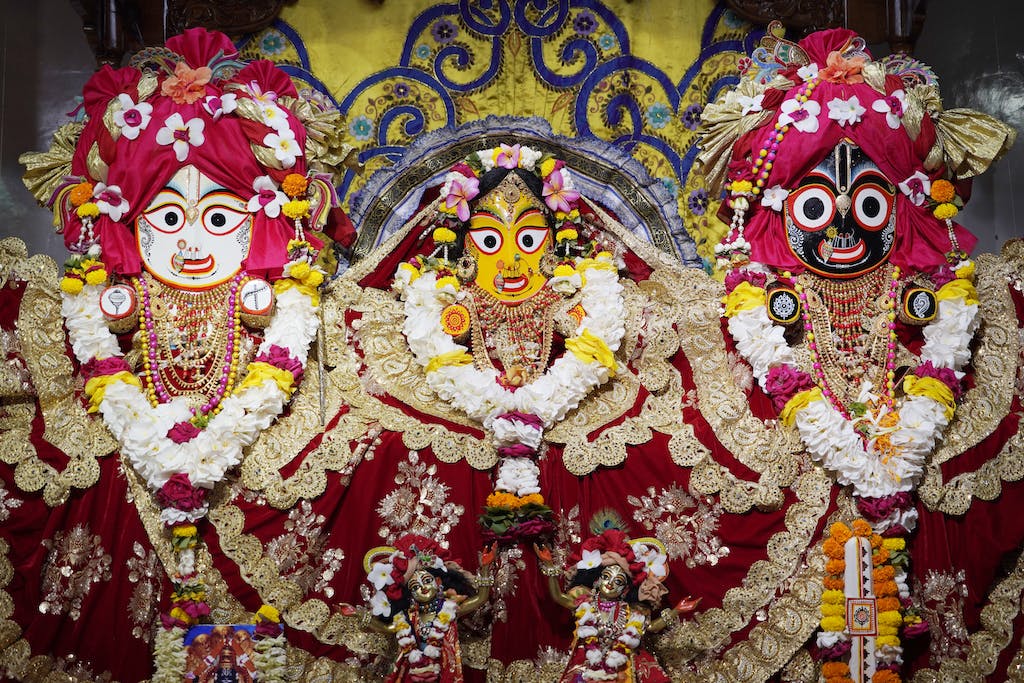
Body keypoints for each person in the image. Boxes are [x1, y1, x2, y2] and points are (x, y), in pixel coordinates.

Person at [534, 530, 698, 683]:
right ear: (598, 580)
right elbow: (557, 597)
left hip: (621, 664)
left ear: (626, 588)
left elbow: (651, 627)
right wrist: (549, 566)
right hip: (587, 662)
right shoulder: (585, 600)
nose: (610, 584)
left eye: (618, 581)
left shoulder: (630, 610)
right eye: (606, 577)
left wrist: (676, 610)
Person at [350, 535, 494, 683]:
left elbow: (481, 598)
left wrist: (485, 569)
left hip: (444, 670)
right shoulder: (409, 615)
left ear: (438, 582)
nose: (423, 588)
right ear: (410, 594)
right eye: (415, 587)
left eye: (426, 581)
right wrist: (357, 614)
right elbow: (387, 628)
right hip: (413, 671)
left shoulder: (449, 609)